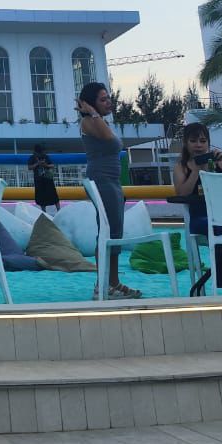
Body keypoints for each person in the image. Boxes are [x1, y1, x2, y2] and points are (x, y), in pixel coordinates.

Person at [78, 82, 140, 299]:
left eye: (108, 98)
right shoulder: (89, 122)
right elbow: (107, 138)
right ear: (90, 104)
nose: (108, 102)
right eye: (102, 99)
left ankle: (113, 282)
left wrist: (96, 112)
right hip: (102, 180)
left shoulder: (99, 121)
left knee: (115, 232)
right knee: (107, 232)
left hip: (112, 181)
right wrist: (91, 112)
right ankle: (102, 284)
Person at [174, 124, 222, 294]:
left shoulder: (221, 163)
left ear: (208, 143)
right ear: (185, 143)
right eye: (193, 141)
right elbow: (182, 193)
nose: (198, 145)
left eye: (203, 141)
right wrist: (196, 171)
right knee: (215, 228)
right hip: (200, 217)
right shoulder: (182, 167)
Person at [28, 144, 60, 215]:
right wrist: (37, 163)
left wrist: (46, 165)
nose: (42, 153)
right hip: (39, 180)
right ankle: (44, 212)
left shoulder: (46, 156)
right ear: (36, 152)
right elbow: (29, 167)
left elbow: (52, 165)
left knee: (53, 194)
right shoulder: (32, 157)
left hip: (48, 178)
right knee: (41, 196)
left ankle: (59, 210)